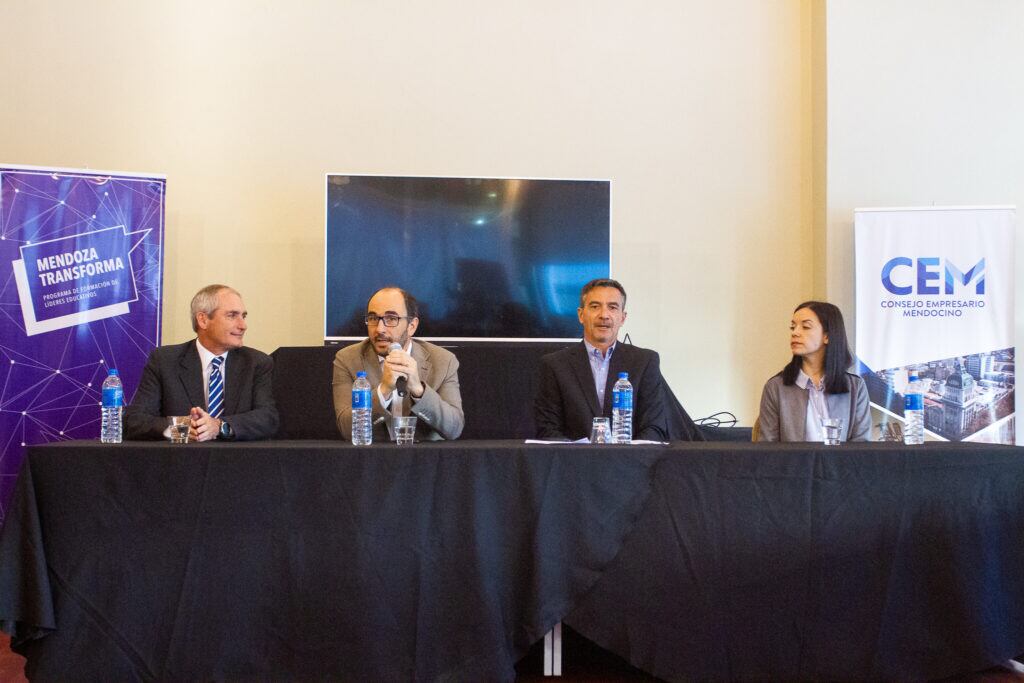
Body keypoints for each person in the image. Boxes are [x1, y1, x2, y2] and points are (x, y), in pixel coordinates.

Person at [534, 278, 701, 442]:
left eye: (612, 307)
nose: (604, 315)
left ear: (622, 317)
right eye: (594, 306)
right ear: (581, 315)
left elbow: (654, 427)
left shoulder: (645, 361)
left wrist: (625, 459)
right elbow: (548, 429)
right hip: (575, 465)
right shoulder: (554, 365)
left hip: (631, 465)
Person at [125, 284, 279, 441]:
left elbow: (268, 419)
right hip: (181, 460)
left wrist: (219, 426)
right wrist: (181, 428)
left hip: (238, 460)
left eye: (243, 316)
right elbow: (135, 421)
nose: (243, 325)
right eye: (232, 315)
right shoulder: (164, 360)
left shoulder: (257, 363)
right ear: (203, 320)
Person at [332, 287, 464, 441]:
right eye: (373, 318)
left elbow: (454, 429)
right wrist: (384, 390)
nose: (380, 329)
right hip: (373, 458)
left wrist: (418, 390)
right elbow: (347, 431)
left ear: (412, 326)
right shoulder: (347, 359)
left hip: (425, 458)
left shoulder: (443, 361)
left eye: (391, 319)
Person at [754, 300, 871, 442]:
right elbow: (767, 448)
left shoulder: (855, 387)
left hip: (841, 464)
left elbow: (862, 447)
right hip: (792, 464)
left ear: (827, 336)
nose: (795, 333)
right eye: (793, 327)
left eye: (806, 327)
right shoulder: (775, 387)